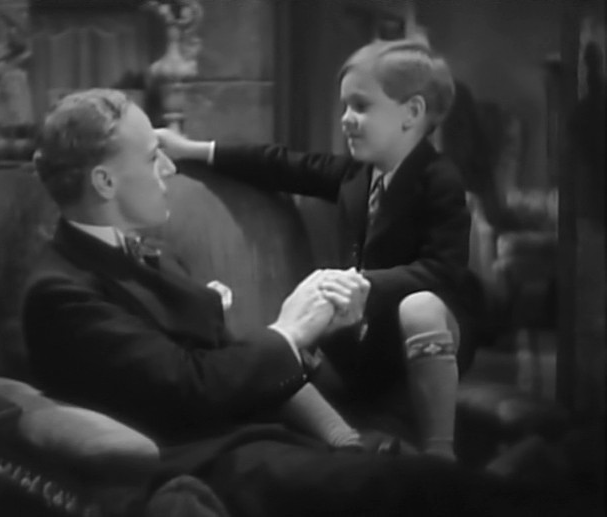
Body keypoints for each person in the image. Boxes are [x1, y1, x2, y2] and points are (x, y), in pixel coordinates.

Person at [24, 87, 577, 517]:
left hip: (265, 433)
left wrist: (336, 419)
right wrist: (290, 330)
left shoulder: (151, 254)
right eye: (152, 158)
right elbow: (192, 386)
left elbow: (220, 353)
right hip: (208, 462)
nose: (169, 168)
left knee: (449, 477)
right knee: (419, 486)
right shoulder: (61, 293)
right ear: (104, 182)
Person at [157, 39, 483, 460]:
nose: (346, 119)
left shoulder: (439, 179)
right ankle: (345, 441)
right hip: (366, 341)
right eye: (344, 106)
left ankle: (440, 451)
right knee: (278, 352)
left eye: (361, 106)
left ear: (412, 113)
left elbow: (444, 269)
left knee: (419, 306)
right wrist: (193, 150)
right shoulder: (356, 175)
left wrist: (363, 283)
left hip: (430, 327)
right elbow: (280, 163)